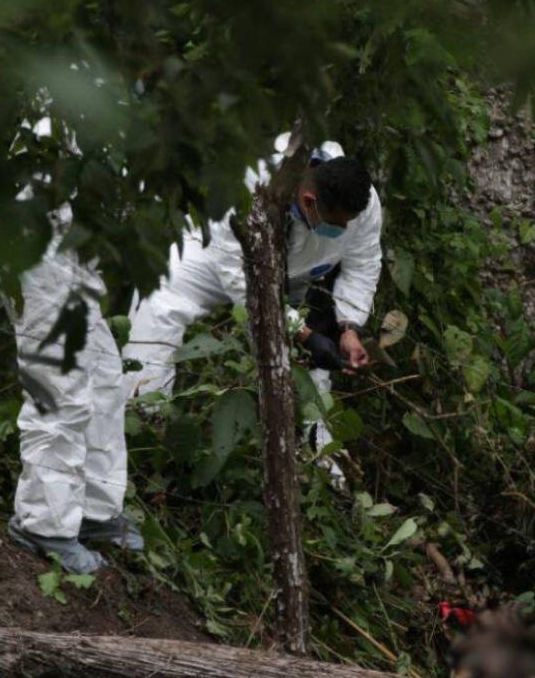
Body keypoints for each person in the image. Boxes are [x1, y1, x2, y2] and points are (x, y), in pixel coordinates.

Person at [122, 133, 382, 475]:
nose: (344, 229)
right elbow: (240, 280)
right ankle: (141, 427)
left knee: (318, 358)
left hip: (299, 280)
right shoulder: (251, 180)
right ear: (308, 200)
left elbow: (362, 264)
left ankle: (317, 452)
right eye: (337, 224)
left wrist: (349, 328)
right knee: (160, 303)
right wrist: (300, 332)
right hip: (217, 258)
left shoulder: (361, 203)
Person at [4, 114, 141, 575]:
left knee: (104, 378)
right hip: (40, 254)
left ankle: (96, 512)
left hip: (75, 258)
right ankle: (45, 523)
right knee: (60, 388)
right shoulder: (62, 115)